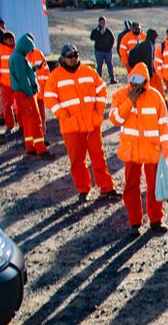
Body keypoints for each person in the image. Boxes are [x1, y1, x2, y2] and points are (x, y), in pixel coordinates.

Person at [44, 44, 120, 202]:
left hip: (92, 124)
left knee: (98, 157)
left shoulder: (89, 71)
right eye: (70, 56)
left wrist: (98, 112)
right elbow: (49, 98)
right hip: (71, 126)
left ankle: (107, 188)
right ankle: (84, 189)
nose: (74, 59)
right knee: (77, 160)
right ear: (63, 58)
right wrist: (63, 115)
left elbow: (101, 90)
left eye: (76, 55)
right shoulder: (55, 76)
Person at [109, 63, 168, 237]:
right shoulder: (121, 95)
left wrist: (164, 151)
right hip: (131, 151)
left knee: (154, 186)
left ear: (146, 81)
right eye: (133, 81)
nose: (136, 85)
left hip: (151, 151)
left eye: (140, 81)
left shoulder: (156, 97)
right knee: (131, 186)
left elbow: (164, 127)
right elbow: (115, 119)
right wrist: (130, 101)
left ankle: (156, 220)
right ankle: (135, 222)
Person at [8, 34, 52, 158]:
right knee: (35, 119)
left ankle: (30, 146)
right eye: (28, 48)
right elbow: (22, 78)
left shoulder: (17, 57)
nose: (29, 51)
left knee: (27, 120)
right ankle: (40, 149)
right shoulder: (19, 58)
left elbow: (23, 72)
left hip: (20, 93)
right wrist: (30, 91)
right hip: (25, 93)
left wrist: (33, 68)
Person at [127, 29, 165, 98]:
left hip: (141, 69)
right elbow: (148, 60)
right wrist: (149, 74)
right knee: (149, 87)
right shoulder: (149, 45)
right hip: (146, 70)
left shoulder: (145, 43)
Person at [0, 31, 17, 131]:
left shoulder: (16, 50)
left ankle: (20, 124)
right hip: (5, 83)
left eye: (13, 40)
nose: (12, 42)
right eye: (10, 40)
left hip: (16, 83)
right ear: (5, 40)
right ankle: (10, 125)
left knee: (18, 105)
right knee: (7, 105)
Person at [26, 42, 51, 143]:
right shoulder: (22, 57)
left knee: (42, 116)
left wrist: (46, 89)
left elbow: (46, 72)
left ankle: (42, 137)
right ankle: (33, 139)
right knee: (32, 117)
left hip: (40, 93)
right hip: (30, 94)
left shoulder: (38, 54)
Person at [90, 16, 117, 83]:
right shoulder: (96, 30)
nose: (103, 23)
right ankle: (98, 80)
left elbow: (112, 39)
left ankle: (112, 78)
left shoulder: (108, 31)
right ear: (99, 22)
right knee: (99, 65)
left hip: (108, 51)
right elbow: (92, 38)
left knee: (110, 64)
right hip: (99, 51)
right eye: (102, 22)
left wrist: (110, 47)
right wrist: (99, 33)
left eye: (104, 22)